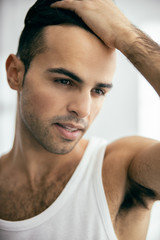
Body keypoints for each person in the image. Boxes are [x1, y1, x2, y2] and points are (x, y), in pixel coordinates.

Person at [0, 0, 160, 239]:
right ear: (15, 74)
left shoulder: (120, 171)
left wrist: (126, 35)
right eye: (64, 81)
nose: (83, 110)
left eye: (99, 91)